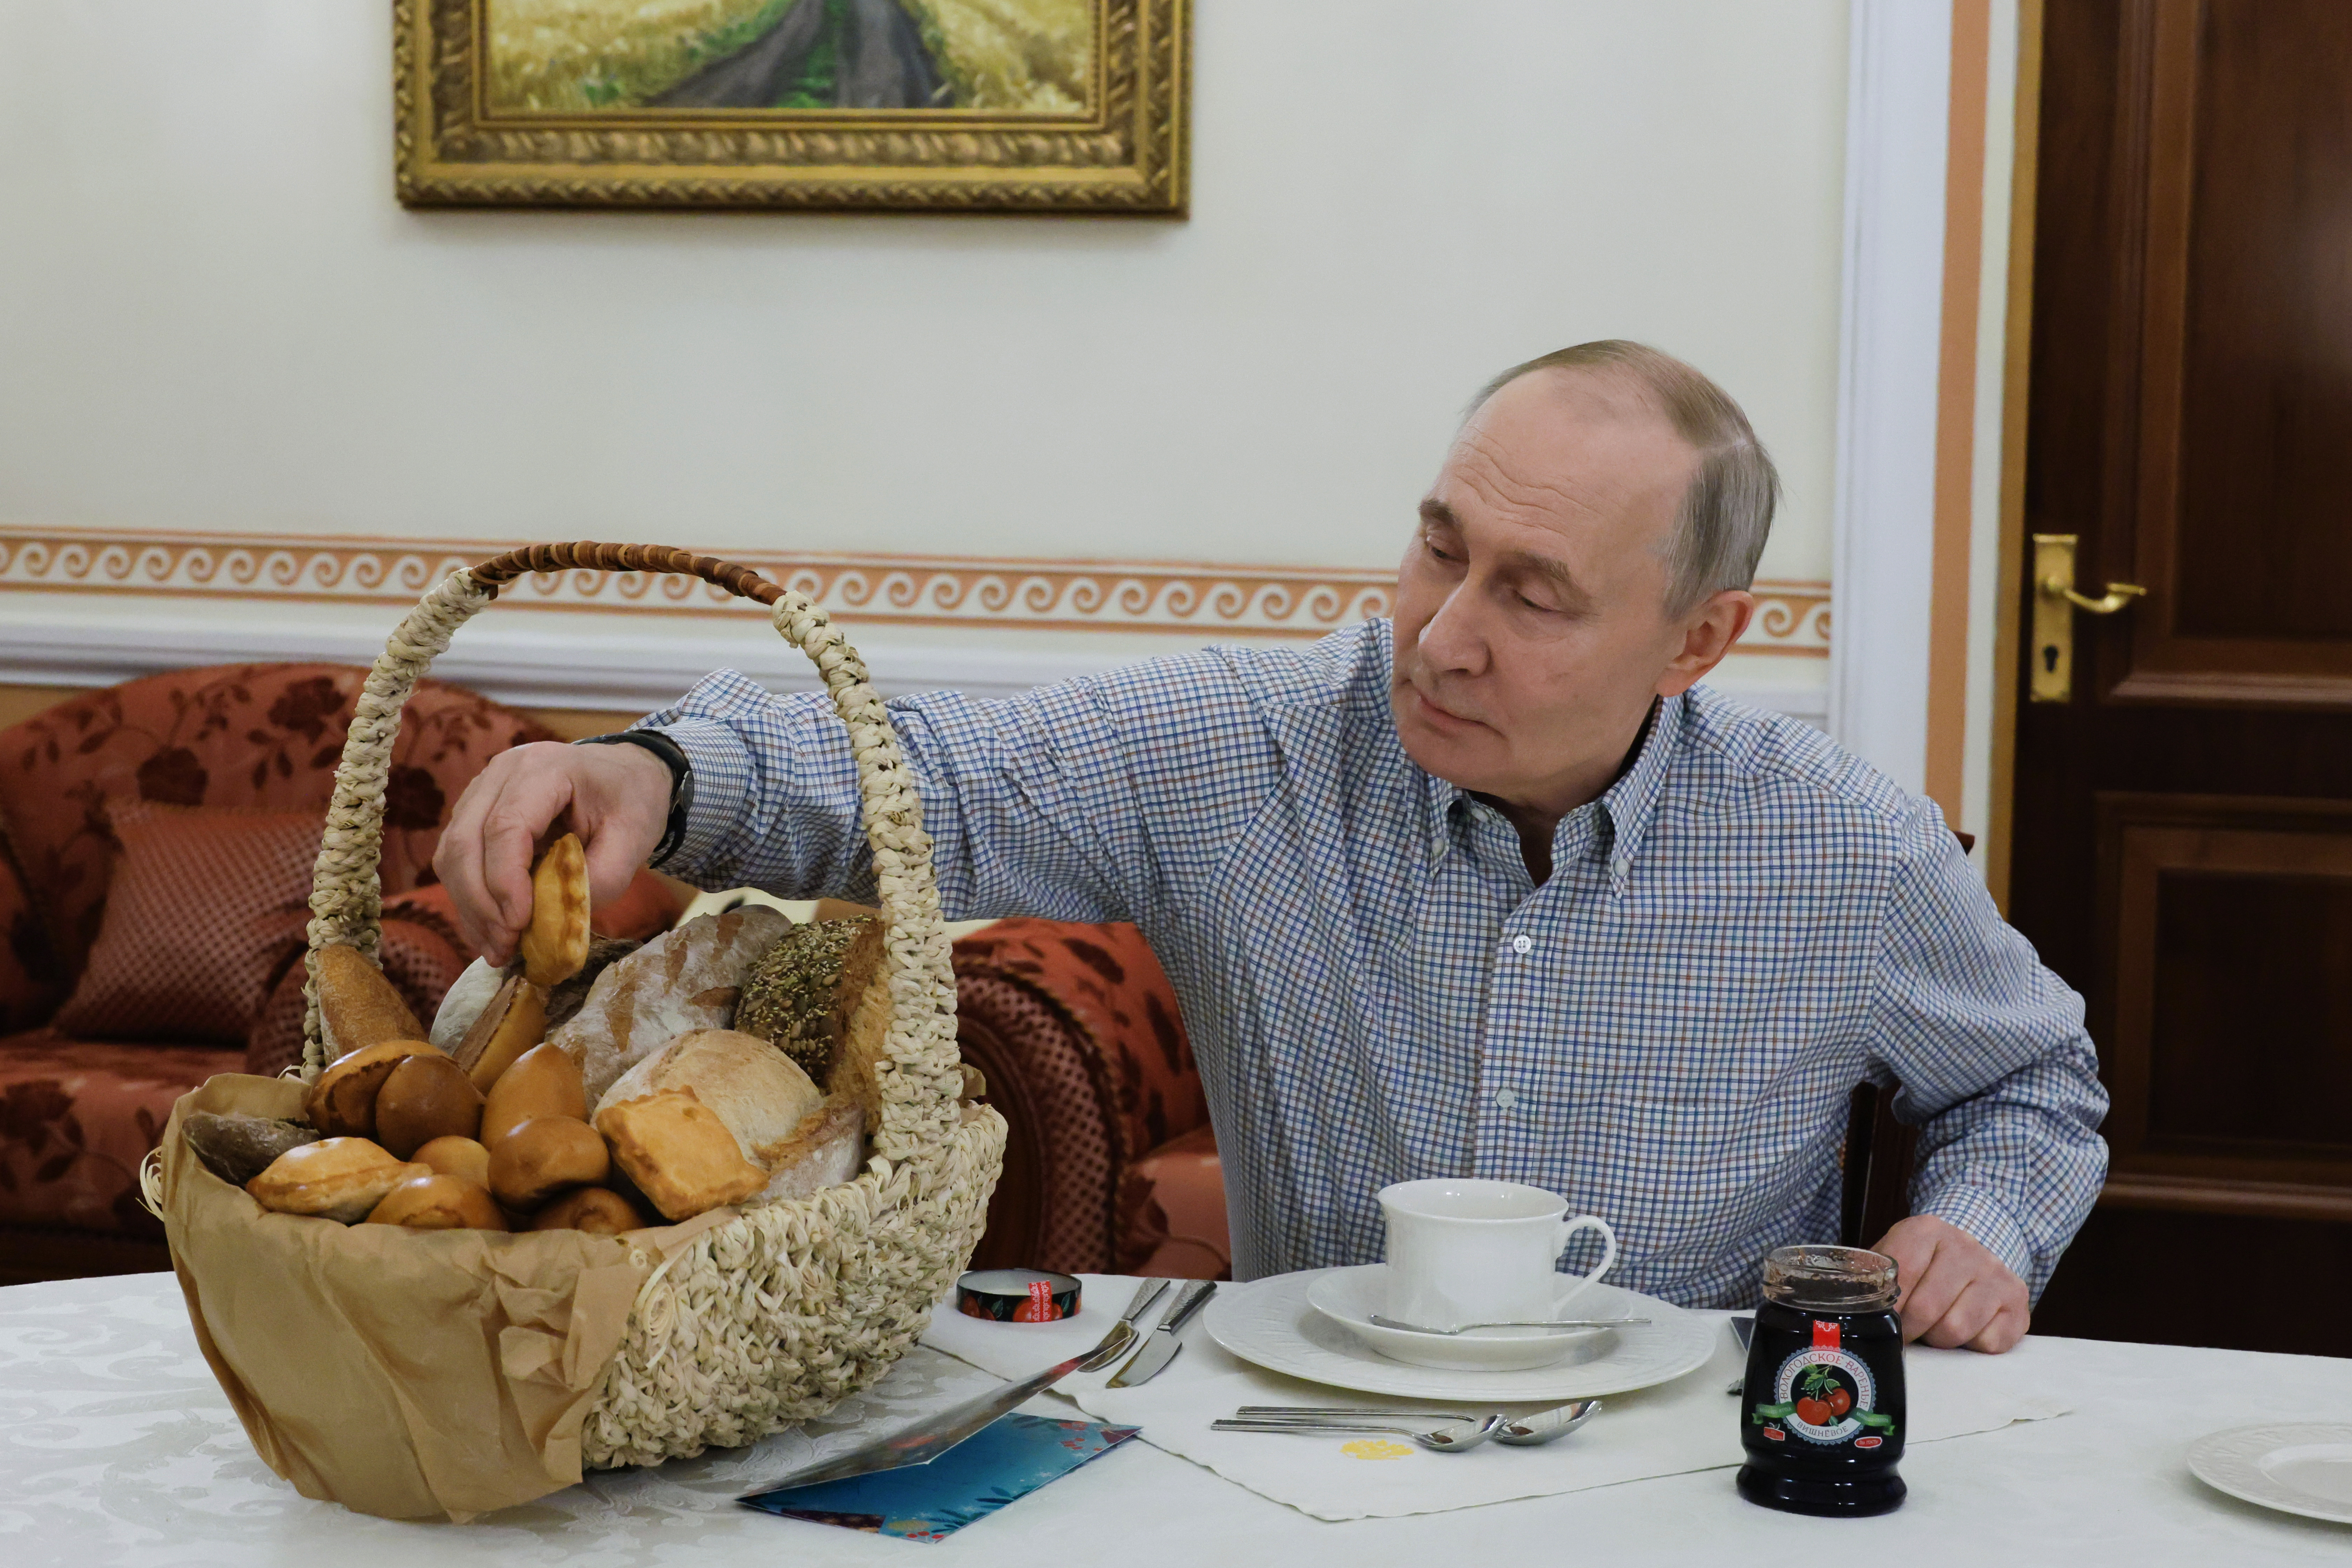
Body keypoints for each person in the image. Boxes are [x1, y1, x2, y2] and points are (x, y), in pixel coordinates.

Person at [435, 341, 2107, 1354]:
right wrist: (663, 766)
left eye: (1532, 596)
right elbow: (933, 765)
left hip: (1683, 1486)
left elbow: (2030, 1085)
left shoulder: (1843, 849)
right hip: (1310, 1462)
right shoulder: (1257, 746)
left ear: (1698, 639)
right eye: (1437, 548)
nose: (1441, 636)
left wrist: (1984, 1220)